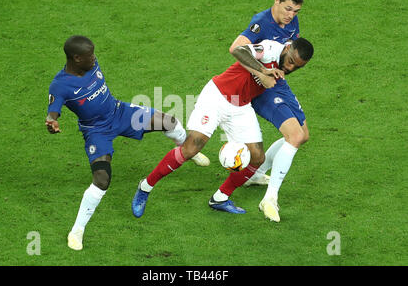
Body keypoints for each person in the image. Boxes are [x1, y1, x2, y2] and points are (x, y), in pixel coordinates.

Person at [45, 35, 210, 250]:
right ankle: (77, 231)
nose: (94, 58)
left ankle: (187, 150)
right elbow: (52, 114)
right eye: (89, 55)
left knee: (169, 122)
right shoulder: (60, 85)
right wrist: (52, 122)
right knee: (102, 179)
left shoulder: (91, 64)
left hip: (119, 112)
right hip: (97, 131)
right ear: (76, 58)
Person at [131, 37, 313, 218]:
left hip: (239, 106)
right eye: (290, 61)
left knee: (257, 158)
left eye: (297, 67)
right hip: (217, 96)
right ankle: (145, 187)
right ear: (287, 47)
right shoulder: (269, 48)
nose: (290, 68)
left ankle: (220, 198)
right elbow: (239, 50)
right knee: (191, 148)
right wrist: (262, 72)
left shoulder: (281, 69)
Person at [229, 0, 310, 222]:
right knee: (293, 137)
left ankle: (256, 173)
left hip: (277, 80)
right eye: (287, 9)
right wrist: (262, 72)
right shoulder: (261, 23)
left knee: (303, 135)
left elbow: (289, 56)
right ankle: (269, 198)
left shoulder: (292, 23)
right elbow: (236, 48)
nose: (290, 15)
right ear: (276, 0)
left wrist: (282, 71)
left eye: (295, 11)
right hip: (260, 85)